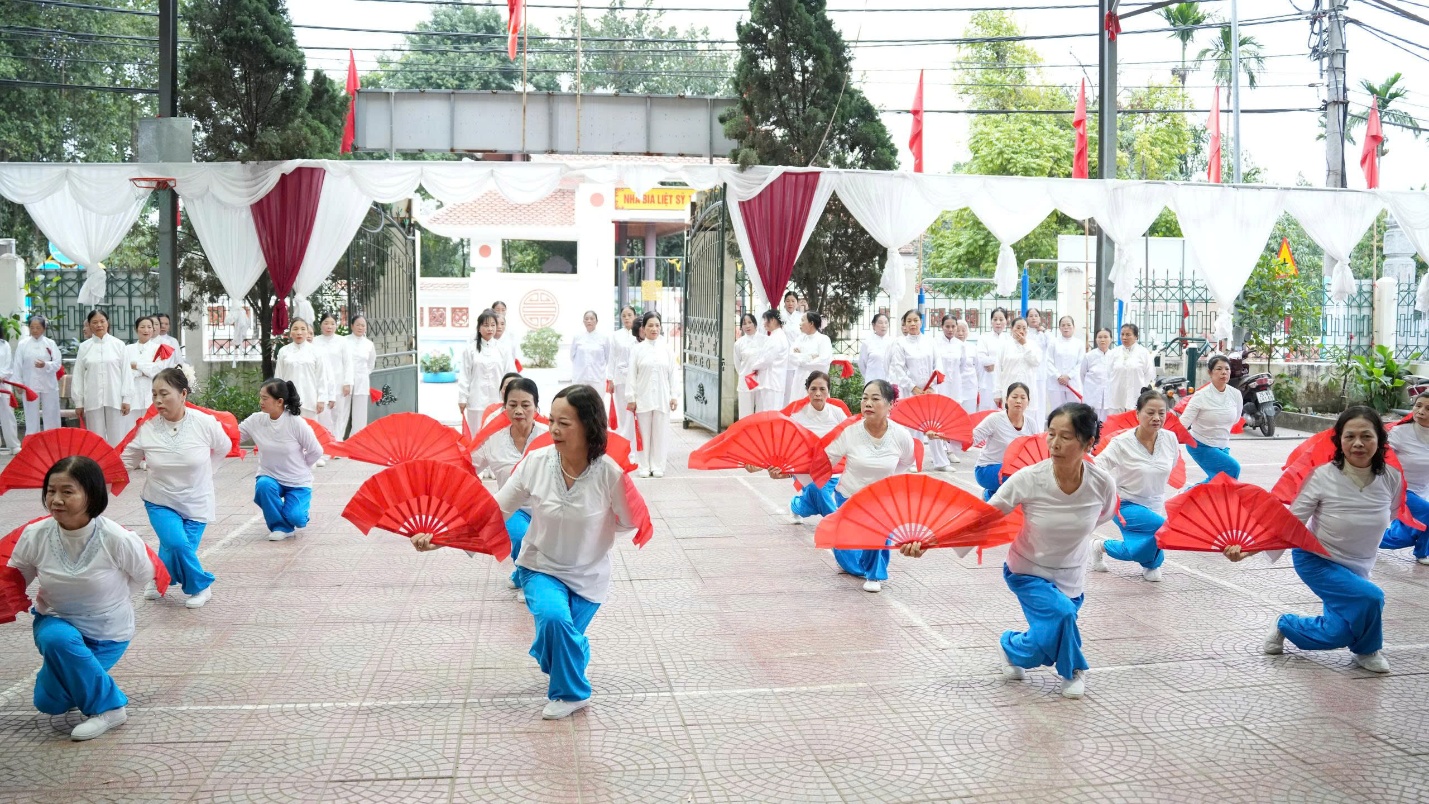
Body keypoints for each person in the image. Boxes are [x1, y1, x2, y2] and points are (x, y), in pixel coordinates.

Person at [413, 385, 642, 720]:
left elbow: (628, 521)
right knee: (553, 620)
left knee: (559, 641)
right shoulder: (535, 463)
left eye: (565, 423)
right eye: (553, 421)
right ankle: (572, 694)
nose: (554, 430)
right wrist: (444, 538)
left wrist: (596, 534)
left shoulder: (609, 473)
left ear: (589, 425)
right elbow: (494, 511)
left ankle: (571, 653)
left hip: (588, 576)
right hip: (541, 566)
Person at [906, 402, 1116, 699]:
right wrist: (931, 540)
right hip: (1028, 569)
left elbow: (1104, 514)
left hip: (1072, 573)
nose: (1054, 444)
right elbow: (985, 515)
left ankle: (1010, 647)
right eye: (1051, 434)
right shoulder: (1030, 478)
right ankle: (1073, 671)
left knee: (1048, 636)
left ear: (1088, 442)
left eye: (1066, 437)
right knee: (1064, 615)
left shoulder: (1101, 483)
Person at [7, 456, 157, 740]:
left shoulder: (117, 538)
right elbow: (16, 578)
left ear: (91, 494)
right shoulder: (35, 534)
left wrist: (114, 601)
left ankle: (111, 709)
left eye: (67, 491)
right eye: (51, 491)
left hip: (108, 631)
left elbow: (143, 573)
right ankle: (79, 673)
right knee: (48, 698)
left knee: (56, 688)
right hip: (55, 619)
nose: (56, 500)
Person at [1249, 407, 1398, 674]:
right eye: (1349, 436)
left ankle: (1286, 624)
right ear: (1339, 440)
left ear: (1380, 440)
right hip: (1317, 559)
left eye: (1367, 436)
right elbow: (1290, 522)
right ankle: (1367, 649)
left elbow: (1397, 512)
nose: (1358, 444)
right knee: (1372, 597)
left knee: (1336, 633)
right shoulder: (1322, 476)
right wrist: (1250, 549)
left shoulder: (1392, 478)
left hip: (1358, 566)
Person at [121, 367, 230, 608]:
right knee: (177, 543)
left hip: (197, 500)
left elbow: (224, 446)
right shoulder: (148, 428)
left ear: (183, 394)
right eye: (154, 395)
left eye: (164, 394)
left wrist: (208, 472)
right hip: (160, 499)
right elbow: (127, 459)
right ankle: (201, 586)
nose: (158, 400)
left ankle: (159, 576)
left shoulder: (204, 423)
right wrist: (94, 475)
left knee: (177, 547)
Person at [823, 379, 917, 593]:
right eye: (865, 398)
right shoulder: (850, 433)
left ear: (891, 404)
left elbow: (907, 461)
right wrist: (791, 471)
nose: (868, 403)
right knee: (852, 563)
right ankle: (853, 554)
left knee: (877, 527)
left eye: (875, 399)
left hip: (881, 499)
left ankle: (875, 575)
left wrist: (890, 483)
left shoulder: (901, 435)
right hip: (849, 497)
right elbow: (826, 460)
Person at [1090, 390, 1178, 582]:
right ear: (1137, 414)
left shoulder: (1171, 439)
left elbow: (1172, 464)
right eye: (1150, 412)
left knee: (1138, 552)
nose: (1156, 418)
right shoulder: (1122, 443)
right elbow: (1098, 466)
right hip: (1125, 505)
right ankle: (1153, 561)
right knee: (1165, 529)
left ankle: (1100, 546)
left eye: (1161, 413)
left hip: (1154, 505)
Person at [472, 377, 547, 598]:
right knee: (521, 537)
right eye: (512, 405)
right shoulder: (493, 440)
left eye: (526, 404)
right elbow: (469, 465)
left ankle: (521, 572)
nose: (519, 410)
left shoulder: (550, 435)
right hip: (512, 508)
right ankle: (527, 580)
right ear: (504, 407)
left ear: (536, 406)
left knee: (546, 547)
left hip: (547, 506)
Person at [239, 379, 323, 541]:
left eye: (265, 398)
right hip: (270, 476)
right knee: (263, 485)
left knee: (296, 518)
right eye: (260, 397)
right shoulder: (256, 420)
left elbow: (316, 450)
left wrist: (304, 466)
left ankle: (294, 514)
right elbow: (234, 436)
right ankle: (280, 526)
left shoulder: (295, 423)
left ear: (279, 402)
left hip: (297, 482)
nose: (260, 402)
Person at [779, 372, 847, 524]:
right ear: (807, 390)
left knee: (815, 502)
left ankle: (796, 504)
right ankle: (837, 525)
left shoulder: (837, 413)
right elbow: (788, 443)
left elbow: (849, 438)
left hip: (832, 467)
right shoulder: (796, 415)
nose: (818, 393)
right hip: (805, 469)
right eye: (813, 389)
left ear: (828, 391)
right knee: (818, 490)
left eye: (822, 389)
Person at [888, 309, 947, 472]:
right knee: (913, 425)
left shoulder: (930, 341)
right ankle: (913, 461)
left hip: (929, 390)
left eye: (915, 320)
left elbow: (938, 364)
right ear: (905, 324)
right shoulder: (900, 343)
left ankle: (940, 461)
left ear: (921, 322)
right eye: (909, 321)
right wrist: (912, 387)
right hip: (911, 391)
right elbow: (898, 367)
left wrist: (932, 385)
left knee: (933, 422)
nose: (913, 324)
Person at [625, 312, 678, 478]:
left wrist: (673, 395)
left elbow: (673, 374)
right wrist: (631, 398)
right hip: (643, 397)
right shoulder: (637, 350)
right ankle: (644, 465)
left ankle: (657, 465)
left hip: (662, 398)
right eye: (650, 326)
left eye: (657, 325)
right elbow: (631, 375)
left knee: (660, 433)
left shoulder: (667, 349)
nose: (654, 329)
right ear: (643, 329)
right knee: (643, 433)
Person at [71, 309, 133, 447]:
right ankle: (98, 466)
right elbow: (78, 375)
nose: (99, 325)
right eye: (95, 322)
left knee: (117, 436)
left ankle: (116, 464)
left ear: (107, 323)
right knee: (95, 438)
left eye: (102, 321)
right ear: (89, 325)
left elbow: (126, 373)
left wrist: (127, 398)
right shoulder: (84, 347)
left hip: (115, 397)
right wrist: (78, 402)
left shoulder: (118, 345)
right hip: (92, 398)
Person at [1381, 392, 1429, 564]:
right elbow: (1379, 453)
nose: (1421, 411)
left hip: (1421, 491)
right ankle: (1423, 553)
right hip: (1398, 489)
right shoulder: (1400, 432)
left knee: (1400, 538)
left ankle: (1359, 541)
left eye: (1428, 408)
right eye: (1418, 405)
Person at [972, 383, 1042, 501]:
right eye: (1014, 397)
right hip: (988, 468)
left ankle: (993, 493)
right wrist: (945, 436)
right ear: (1006, 399)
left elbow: (1037, 449)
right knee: (1020, 480)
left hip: (1016, 469)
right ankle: (988, 496)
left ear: (1028, 402)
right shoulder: (995, 419)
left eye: (1023, 398)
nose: (1018, 401)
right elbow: (972, 438)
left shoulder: (1031, 423)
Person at [273, 319, 329, 466]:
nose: (299, 332)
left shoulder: (315, 351)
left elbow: (322, 377)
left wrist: (321, 398)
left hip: (310, 395)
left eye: (303, 329)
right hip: (289, 397)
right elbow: (278, 377)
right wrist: (278, 398)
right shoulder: (284, 351)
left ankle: (314, 456)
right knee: (290, 429)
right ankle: (292, 458)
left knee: (311, 428)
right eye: (295, 329)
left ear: (308, 331)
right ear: (290, 332)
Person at [1180, 354, 1242, 483]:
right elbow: (1183, 423)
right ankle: (1187, 498)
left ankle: (1189, 497)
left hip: (1222, 446)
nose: (1223, 372)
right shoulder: (1200, 396)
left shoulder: (1235, 394)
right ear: (1210, 372)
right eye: (1219, 369)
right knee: (1233, 468)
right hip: (1200, 444)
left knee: (1220, 483)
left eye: (1227, 369)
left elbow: (1236, 419)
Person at [458, 310, 517, 439]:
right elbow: (464, 375)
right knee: (476, 434)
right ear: (479, 328)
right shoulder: (470, 349)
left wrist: (511, 396)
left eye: (493, 325)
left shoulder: (503, 349)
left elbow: (511, 374)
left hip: (497, 400)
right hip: (476, 400)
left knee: (497, 434)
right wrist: (462, 398)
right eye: (486, 325)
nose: (490, 328)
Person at [14, 314, 63, 436]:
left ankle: (52, 439)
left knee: (51, 413)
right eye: (32, 327)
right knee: (31, 415)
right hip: (29, 384)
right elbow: (17, 365)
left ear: (44, 328)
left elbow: (57, 363)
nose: (35, 330)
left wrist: (46, 365)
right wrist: (18, 384)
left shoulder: (50, 343)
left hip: (49, 384)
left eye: (38, 327)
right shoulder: (23, 344)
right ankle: (32, 440)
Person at [995, 317, 1044, 423]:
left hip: (1028, 388)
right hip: (1009, 387)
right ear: (1011, 329)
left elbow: (1036, 361)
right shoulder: (1004, 345)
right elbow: (997, 370)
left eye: (1024, 328)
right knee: (1009, 421)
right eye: (1018, 327)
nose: (1021, 331)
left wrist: (1024, 344)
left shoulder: (1033, 345)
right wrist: (997, 393)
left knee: (1027, 421)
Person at [313, 313, 352, 446]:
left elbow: (348, 363)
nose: (329, 326)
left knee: (338, 413)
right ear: (320, 325)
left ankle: (338, 441)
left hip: (339, 382)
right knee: (324, 414)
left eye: (332, 323)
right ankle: (325, 442)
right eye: (326, 323)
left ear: (336, 325)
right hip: (322, 383)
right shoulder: (315, 341)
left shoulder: (343, 341)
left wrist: (347, 382)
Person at [121, 317, 163, 434]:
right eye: (142, 327)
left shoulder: (158, 349)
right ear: (136, 329)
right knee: (130, 431)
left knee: (151, 430)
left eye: (149, 327)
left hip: (151, 393)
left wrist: (137, 366)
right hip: (132, 395)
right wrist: (146, 369)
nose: (146, 330)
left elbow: (158, 370)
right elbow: (126, 372)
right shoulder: (127, 349)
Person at [1106, 323, 1155, 415]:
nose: (1124, 337)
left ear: (1136, 336)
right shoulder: (1113, 353)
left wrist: (1142, 391)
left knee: (1133, 424)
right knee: (1117, 424)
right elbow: (1108, 373)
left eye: (1128, 335)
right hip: (1116, 396)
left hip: (1136, 395)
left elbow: (1149, 374)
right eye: (1122, 334)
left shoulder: (1143, 353)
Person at [748, 310, 792, 413]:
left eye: (765, 320)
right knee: (768, 412)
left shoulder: (777, 338)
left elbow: (767, 359)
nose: (763, 323)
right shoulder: (775, 336)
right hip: (771, 381)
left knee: (770, 412)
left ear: (772, 320)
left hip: (772, 381)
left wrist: (754, 366)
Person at [607, 306, 639, 443]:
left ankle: (635, 440)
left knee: (634, 411)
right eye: (624, 316)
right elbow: (612, 358)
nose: (627, 318)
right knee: (622, 411)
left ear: (635, 316)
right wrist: (610, 379)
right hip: (620, 379)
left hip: (636, 379)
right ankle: (622, 440)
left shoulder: (639, 335)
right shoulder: (616, 335)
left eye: (629, 315)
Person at [789, 312, 832, 404]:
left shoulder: (823, 339)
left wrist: (801, 357)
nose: (800, 323)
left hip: (817, 381)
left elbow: (823, 361)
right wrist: (810, 356)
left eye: (803, 320)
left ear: (811, 323)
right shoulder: (800, 339)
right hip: (799, 380)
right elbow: (791, 357)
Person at [345, 315, 377, 436]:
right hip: (345, 381)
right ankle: (338, 438)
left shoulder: (369, 344)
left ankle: (357, 438)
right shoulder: (344, 341)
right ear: (352, 326)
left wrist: (362, 374)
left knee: (360, 412)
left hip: (362, 380)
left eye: (363, 325)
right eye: (357, 324)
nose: (360, 327)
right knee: (342, 411)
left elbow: (371, 364)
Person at [1046, 316, 1086, 411]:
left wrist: (1068, 376)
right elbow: (1048, 362)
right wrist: (1058, 376)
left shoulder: (1079, 343)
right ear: (1059, 328)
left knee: (1074, 411)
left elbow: (1081, 363)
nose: (1066, 327)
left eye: (1069, 325)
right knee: (1057, 410)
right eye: (1063, 325)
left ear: (1073, 327)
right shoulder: (1053, 343)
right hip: (1056, 383)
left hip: (1073, 382)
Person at [976, 308, 1011, 412]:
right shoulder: (984, 338)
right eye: (995, 319)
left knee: (1003, 412)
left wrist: (994, 364)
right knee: (986, 411)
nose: (998, 322)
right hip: (987, 381)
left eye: (1001, 319)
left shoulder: (1009, 339)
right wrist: (1000, 364)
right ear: (991, 321)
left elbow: (1010, 360)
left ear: (1006, 321)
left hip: (1004, 381)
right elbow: (981, 358)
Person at [1079, 328, 1115, 421]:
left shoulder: (1114, 356)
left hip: (1109, 396)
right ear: (1096, 339)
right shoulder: (1089, 356)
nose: (1102, 340)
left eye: (1105, 337)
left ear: (1111, 339)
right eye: (1100, 337)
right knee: (1091, 421)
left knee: (1107, 423)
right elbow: (1082, 375)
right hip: (1093, 395)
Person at [570, 311, 610, 396]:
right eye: (586, 319)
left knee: (597, 402)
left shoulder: (603, 338)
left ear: (596, 321)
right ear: (583, 321)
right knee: (579, 401)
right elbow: (572, 356)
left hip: (597, 377)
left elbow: (607, 357)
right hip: (580, 376)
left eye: (592, 319)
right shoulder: (577, 337)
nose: (589, 321)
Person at [732, 313, 763, 419]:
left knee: (761, 410)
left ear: (755, 324)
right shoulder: (739, 343)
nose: (747, 326)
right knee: (745, 412)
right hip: (745, 380)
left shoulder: (764, 340)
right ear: (741, 327)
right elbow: (737, 364)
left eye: (750, 322)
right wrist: (745, 374)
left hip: (761, 380)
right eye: (744, 324)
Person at [0, 325, 20, 453]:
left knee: (8, 414)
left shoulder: (4, 344)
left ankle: (13, 445)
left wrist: (1, 376)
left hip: (3, 383)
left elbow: (8, 364)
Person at [858, 313, 893, 384]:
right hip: (872, 381)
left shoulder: (893, 342)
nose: (883, 326)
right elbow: (862, 364)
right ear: (873, 325)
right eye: (880, 323)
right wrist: (869, 377)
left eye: (886, 323)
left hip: (889, 382)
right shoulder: (867, 343)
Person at [952, 320, 978, 413]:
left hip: (970, 387)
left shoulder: (973, 348)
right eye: (958, 330)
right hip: (953, 387)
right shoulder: (950, 347)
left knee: (969, 414)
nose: (960, 333)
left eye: (963, 330)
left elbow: (977, 368)